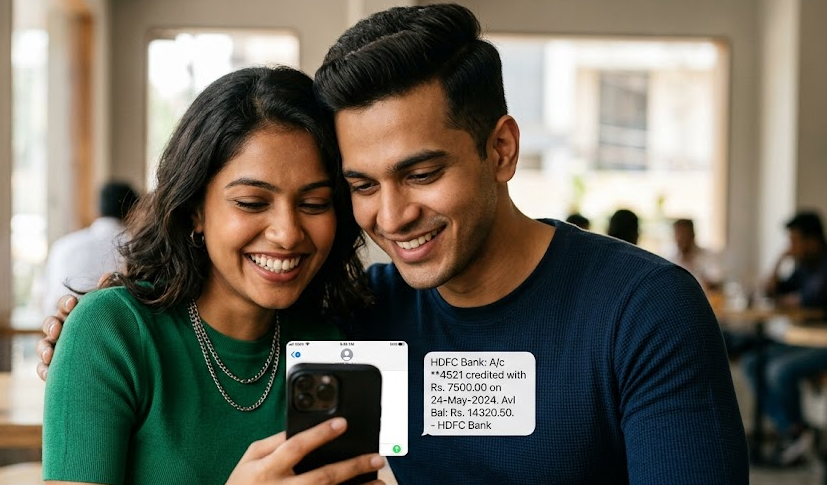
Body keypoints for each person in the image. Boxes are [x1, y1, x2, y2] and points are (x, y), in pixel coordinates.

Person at [39, 4, 748, 484]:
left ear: (500, 149)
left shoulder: (644, 310)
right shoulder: (357, 318)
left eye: (421, 172)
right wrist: (101, 323)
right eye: (361, 184)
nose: (393, 214)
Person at [41, 66, 385, 485]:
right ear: (195, 211)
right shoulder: (112, 332)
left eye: (314, 203)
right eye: (252, 202)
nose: (288, 233)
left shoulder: (336, 341)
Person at [742, 210, 827, 466]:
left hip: (822, 343)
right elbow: (772, 291)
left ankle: (796, 434)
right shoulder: (804, 266)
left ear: (813, 240)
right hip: (803, 339)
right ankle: (795, 432)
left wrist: (786, 298)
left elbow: (813, 299)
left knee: (779, 370)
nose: (791, 247)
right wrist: (779, 260)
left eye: (794, 241)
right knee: (752, 362)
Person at [41, 181, 140, 316]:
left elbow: (49, 304)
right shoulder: (138, 250)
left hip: (63, 331)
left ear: (98, 209)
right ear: (134, 211)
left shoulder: (63, 246)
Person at [667, 218, 724, 291]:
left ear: (693, 235)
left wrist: (693, 265)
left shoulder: (708, 255)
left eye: (685, 234)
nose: (681, 238)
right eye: (678, 234)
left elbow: (716, 281)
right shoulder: (669, 257)